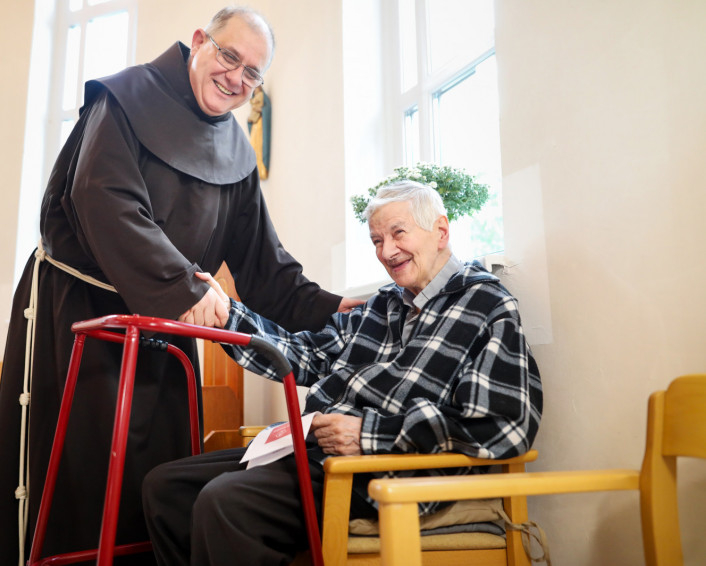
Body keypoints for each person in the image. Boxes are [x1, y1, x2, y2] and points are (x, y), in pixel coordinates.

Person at [0, 7, 361, 566]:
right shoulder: (127, 96)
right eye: (229, 56)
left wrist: (335, 309)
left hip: (165, 333)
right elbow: (103, 198)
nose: (236, 77)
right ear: (200, 40)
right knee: (83, 480)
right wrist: (183, 286)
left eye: (252, 73)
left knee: (154, 481)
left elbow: (266, 267)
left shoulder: (237, 151)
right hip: (84, 318)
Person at [142, 180, 544, 565]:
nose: (387, 251)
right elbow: (304, 355)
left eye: (398, 233)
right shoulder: (382, 305)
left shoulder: (487, 305)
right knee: (166, 488)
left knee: (226, 503)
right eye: (377, 240)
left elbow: (504, 425)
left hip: (384, 469)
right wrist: (229, 317)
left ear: (441, 231)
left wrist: (368, 434)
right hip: (318, 450)